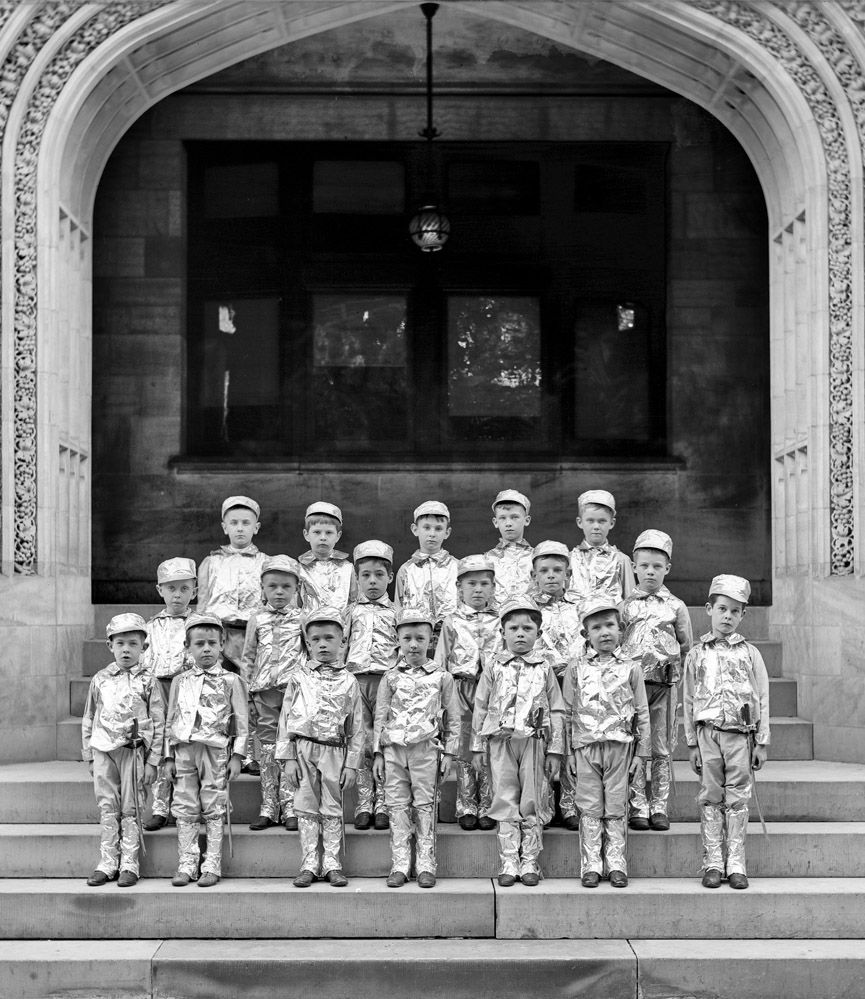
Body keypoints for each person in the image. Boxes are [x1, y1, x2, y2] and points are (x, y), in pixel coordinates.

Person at [683, 574, 770, 890]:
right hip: (708, 735)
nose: (727, 616)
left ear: (743, 615)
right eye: (722, 609)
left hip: (740, 737)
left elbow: (762, 697)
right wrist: (692, 744)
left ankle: (736, 863)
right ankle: (712, 862)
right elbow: (689, 698)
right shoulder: (697, 653)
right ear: (709, 609)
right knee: (710, 796)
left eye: (735, 611)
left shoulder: (750, 654)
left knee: (737, 798)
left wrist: (761, 742)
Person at [471, 596, 565, 887]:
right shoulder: (493, 666)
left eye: (527, 628)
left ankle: (530, 861)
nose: (520, 633)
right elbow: (481, 706)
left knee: (532, 799)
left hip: (534, 742)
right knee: (505, 797)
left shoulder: (544, 667)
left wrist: (556, 750)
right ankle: (509, 859)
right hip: (501, 742)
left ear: (538, 633)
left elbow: (557, 708)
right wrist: (477, 746)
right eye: (513, 628)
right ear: (502, 632)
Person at [563, 595, 650, 889]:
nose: (605, 632)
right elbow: (567, 711)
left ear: (620, 628)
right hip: (586, 747)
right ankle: (590, 864)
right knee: (589, 806)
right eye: (597, 627)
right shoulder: (575, 669)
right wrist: (570, 751)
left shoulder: (631, 668)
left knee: (615, 805)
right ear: (586, 634)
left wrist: (642, 752)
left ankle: (616, 863)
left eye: (610, 625)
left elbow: (642, 712)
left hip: (620, 747)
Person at [373, 608, 461, 888]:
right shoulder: (390, 677)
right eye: (407, 638)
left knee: (425, 807)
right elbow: (380, 715)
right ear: (397, 639)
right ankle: (400, 864)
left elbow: (453, 717)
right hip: (394, 750)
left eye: (420, 638)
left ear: (430, 640)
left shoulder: (442, 677)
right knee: (397, 806)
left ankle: (425, 864)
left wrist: (449, 753)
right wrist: (377, 752)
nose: (413, 645)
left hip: (426, 750)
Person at [276, 607, 364, 888]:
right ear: (308, 643)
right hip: (303, 750)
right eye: (316, 639)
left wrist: (352, 763)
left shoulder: (350, 681)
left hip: (334, 752)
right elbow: (285, 718)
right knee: (305, 807)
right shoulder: (298, 678)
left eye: (329, 638)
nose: (323, 644)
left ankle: (333, 865)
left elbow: (357, 727)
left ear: (343, 643)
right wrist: (288, 757)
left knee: (332, 807)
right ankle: (309, 864)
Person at [163, 613, 249, 888]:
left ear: (222, 644)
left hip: (216, 751)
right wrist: (168, 756)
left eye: (212, 643)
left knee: (214, 806)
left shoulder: (231, 681)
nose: (206, 649)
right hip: (185, 749)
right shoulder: (180, 681)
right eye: (199, 644)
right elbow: (170, 718)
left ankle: (212, 864)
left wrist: (237, 756)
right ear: (188, 648)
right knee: (185, 806)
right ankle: (187, 863)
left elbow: (241, 722)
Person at [82, 613, 166, 888]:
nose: (126, 649)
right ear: (110, 646)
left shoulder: (149, 681)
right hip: (104, 751)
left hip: (133, 752)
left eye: (133, 643)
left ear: (144, 647)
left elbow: (159, 722)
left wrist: (154, 760)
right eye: (120, 644)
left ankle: (130, 863)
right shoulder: (100, 679)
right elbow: (89, 717)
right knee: (108, 807)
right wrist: (89, 755)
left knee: (132, 807)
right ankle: (107, 862)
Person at [621, 530, 693, 831]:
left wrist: (678, 672)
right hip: (633, 688)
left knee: (662, 747)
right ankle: (638, 804)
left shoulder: (676, 606)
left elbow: (686, 643)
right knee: (637, 744)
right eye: (644, 565)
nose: (650, 572)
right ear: (635, 567)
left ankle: (659, 805)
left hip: (663, 686)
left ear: (667, 569)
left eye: (657, 566)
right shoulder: (626, 605)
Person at [240, 555, 306, 831]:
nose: (279, 592)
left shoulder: (303, 619)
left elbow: (308, 652)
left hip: (293, 692)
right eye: (273, 586)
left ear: (296, 589)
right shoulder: (256, 619)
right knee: (266, 748)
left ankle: (291, 804)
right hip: (264, 691)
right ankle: (269, 805)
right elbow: (248, 656)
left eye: (286, 587)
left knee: (289, 745)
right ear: (263, 588)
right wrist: (246, 689)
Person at [435, 554, 500, 831]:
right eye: (471, 584)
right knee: (463, 748)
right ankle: (465, 806)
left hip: (492, 689)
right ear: (459, 587)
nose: (477, 589)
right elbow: (441, 659)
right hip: (461, 687)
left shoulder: (500, 620)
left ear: (493, 588)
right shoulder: (452, 621)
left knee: (486, 744)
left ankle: (487, 805)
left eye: (484, 584)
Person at [344, 540, 398, 831]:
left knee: (385, 741)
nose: (373, 580)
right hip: (356, 682)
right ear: (358, 577)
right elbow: (342, 646)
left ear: (390, 577)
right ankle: (365, 801)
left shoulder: (397, 614)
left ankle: (385, 803)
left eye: (379, 574)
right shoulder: (350, 612)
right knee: (362, 741)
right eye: (366, 575)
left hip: (387, 683)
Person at [141, 557, 196, 831]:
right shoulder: (150, 627)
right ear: (159, 590)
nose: (177, 595)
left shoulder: (198, 624)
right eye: (171, 588)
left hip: (187, 691)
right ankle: (160, 806)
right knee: (160, 746)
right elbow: (143, 661)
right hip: (157, 691)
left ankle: (184, 804)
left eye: (184, 589)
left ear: (193, 591)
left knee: (182, 747)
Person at [532, 540, 582, 829]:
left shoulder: (578, 607)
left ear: (568, 574)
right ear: (534, 575)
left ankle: (570, 803)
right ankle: (545, 803)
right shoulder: (529, 608)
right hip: (541, 682)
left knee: (571, 741)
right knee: (545, 741)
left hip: (572, 682)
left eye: (557, 570)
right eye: (544, 571)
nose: (551, 576)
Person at [196, 495, 268, 673]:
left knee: (248, 684)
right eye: (234, 523)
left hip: (251, 636)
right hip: (218, 634)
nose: (240, 528)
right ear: (225, 527)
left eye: (246, 523)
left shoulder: (266, 563)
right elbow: (202, 602)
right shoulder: (211, 562)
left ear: (256, 527)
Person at [394, 500, 458, 654]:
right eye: (426, 527)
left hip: (451, 641)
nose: (432, 534)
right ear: (415, 529)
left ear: (447, 532)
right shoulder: (406, 570)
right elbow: (398, 609)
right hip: (416, 645)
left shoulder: (457, 567)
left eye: (438, 529)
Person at [569, 489, 634, 607]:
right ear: (580, 522)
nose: (596, 526)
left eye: (602, 521)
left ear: (612, 523)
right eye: (590, 521)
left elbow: (630, 603)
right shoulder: (569, 559)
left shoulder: (621, 560)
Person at [298, 501, 357, 612]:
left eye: (329, 532)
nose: (323, 537)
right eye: (317, 532)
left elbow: (354, 602)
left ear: (338, 536)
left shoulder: (348, 568)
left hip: (341, 627)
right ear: (306, 535)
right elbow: (295, 607)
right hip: (310, 627)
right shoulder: (299, 569)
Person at [485, 489, 534, 605]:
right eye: (502, 518)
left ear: (526, 520)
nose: (508, 523)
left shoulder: (537, 557)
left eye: (514, 517)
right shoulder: (487, 559)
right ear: (495, 522)